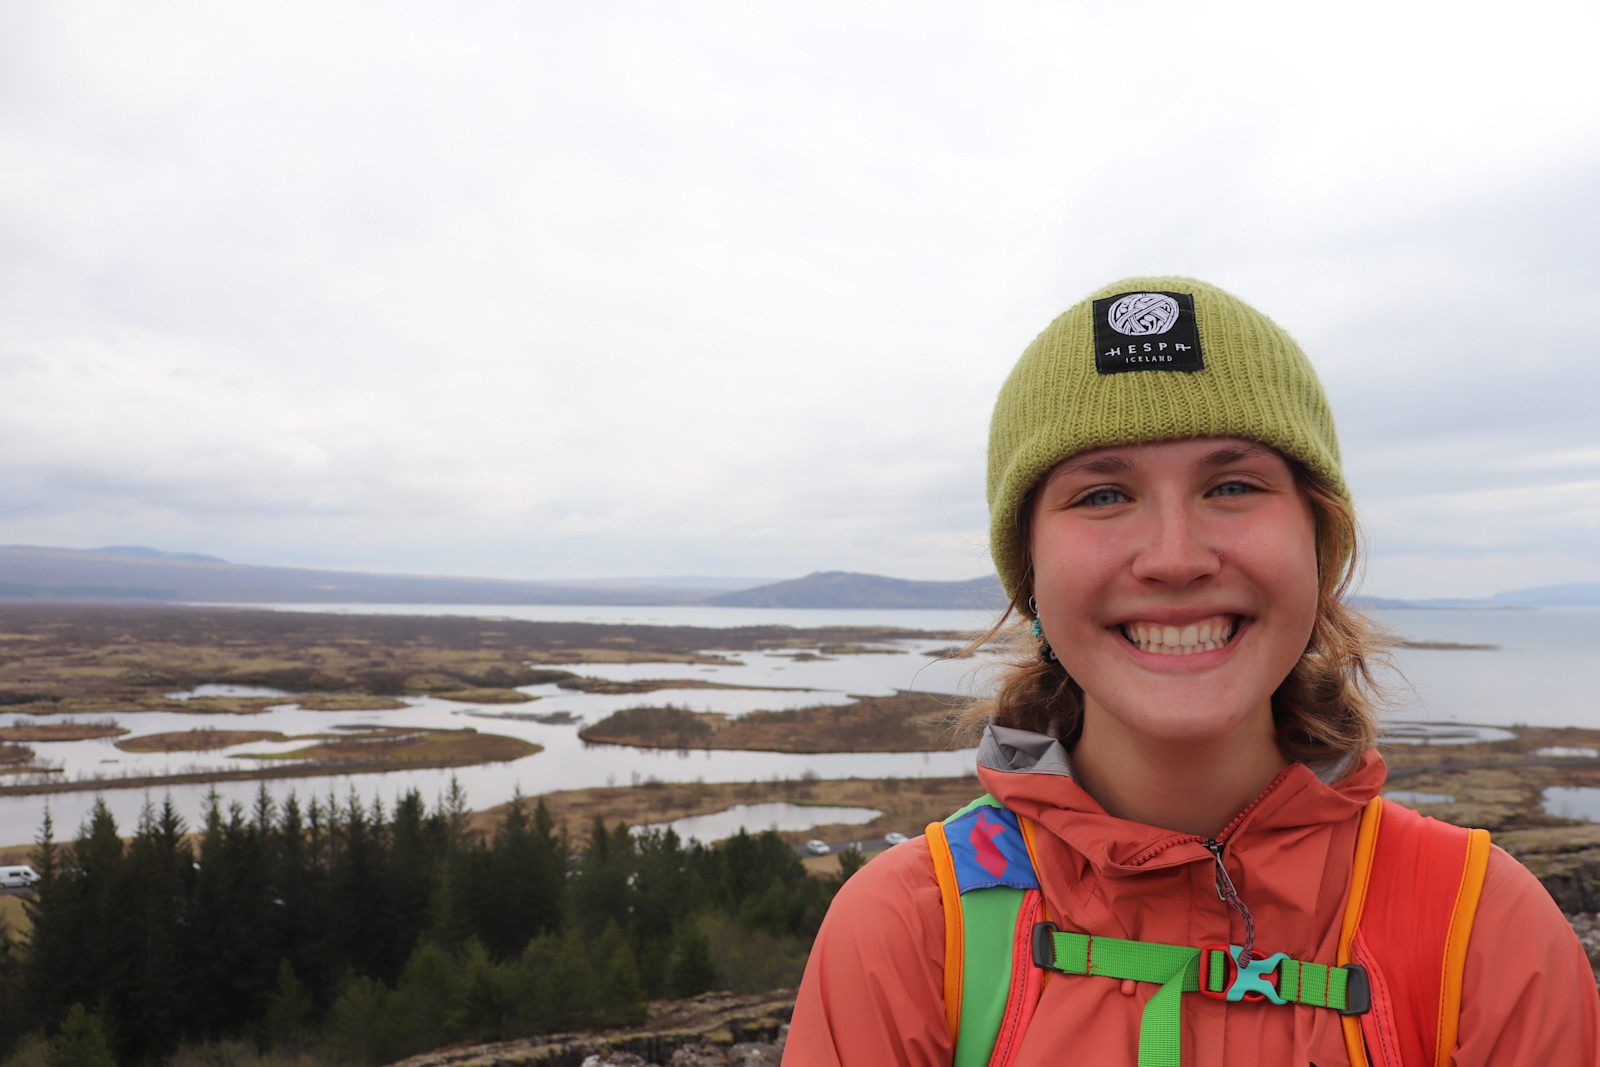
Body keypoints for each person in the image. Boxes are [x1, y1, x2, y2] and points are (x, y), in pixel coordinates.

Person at [783, 277, 1600, 1065]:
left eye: (1234, 485)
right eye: (1102, 495)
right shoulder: (912, 932)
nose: (1174, 558)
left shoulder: (1483, 931)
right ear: (1029, 572)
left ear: (1320, 549)